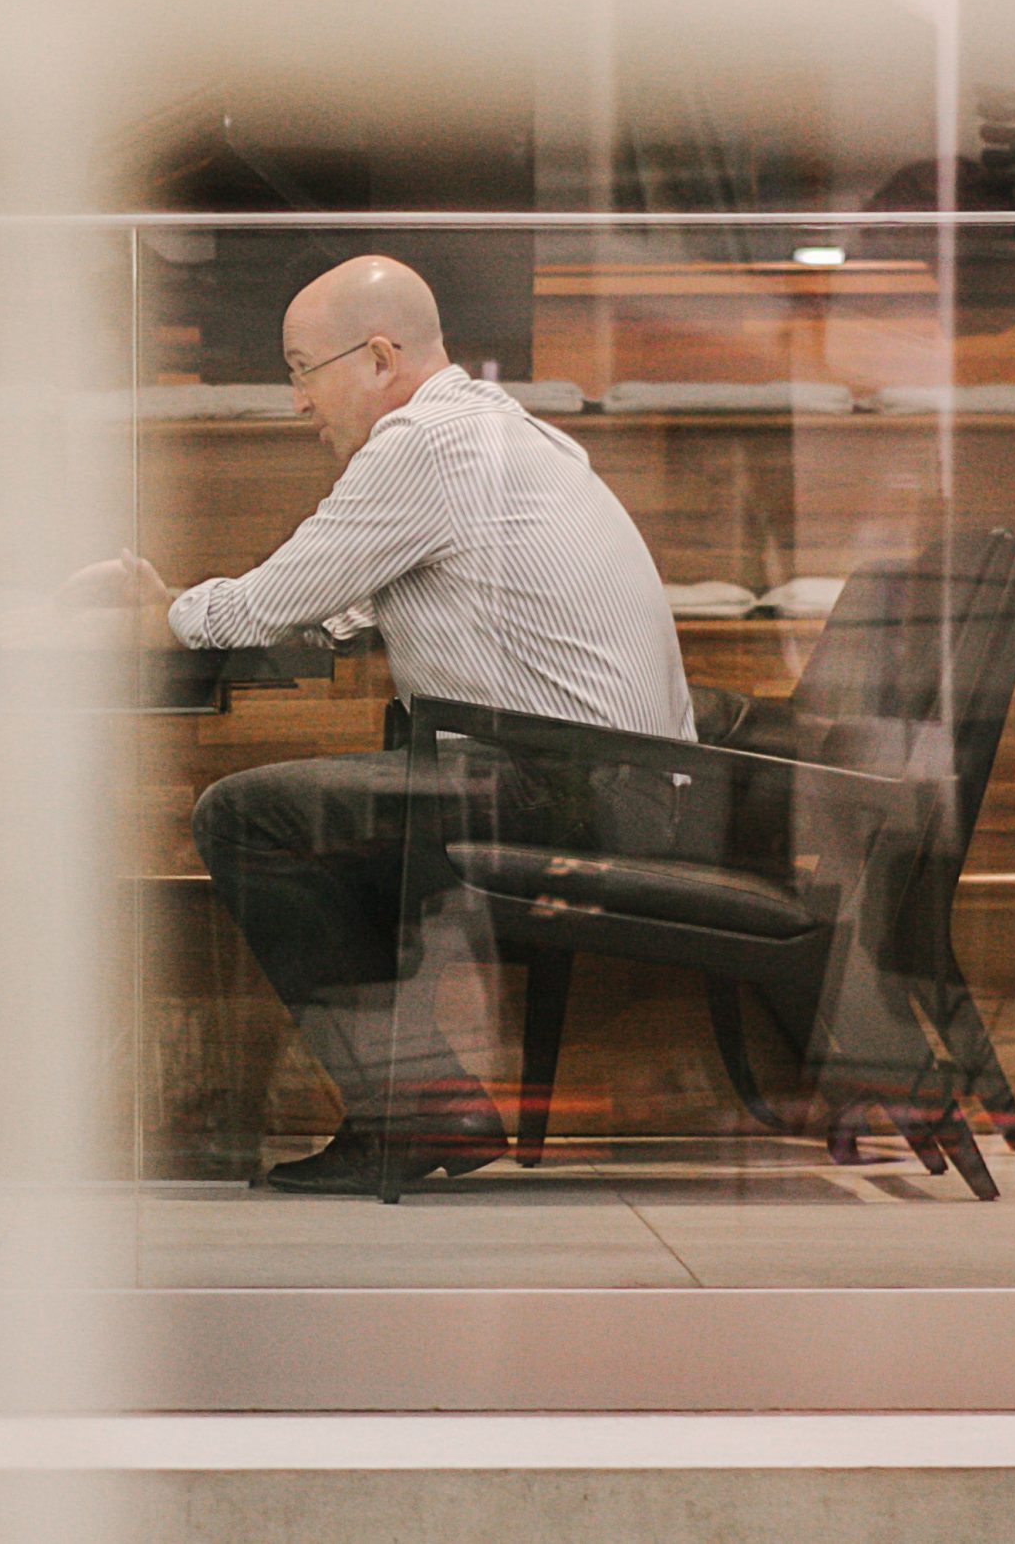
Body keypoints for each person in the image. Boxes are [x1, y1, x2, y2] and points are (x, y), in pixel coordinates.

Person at [74, 256, 694, 1194]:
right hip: (609, 783)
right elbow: (327, 607)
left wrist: (141, 621)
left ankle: (417, 1105)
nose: (296, 404)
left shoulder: (429, 445)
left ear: (375, 357)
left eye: (299, 371)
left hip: (578, 789)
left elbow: (266, 605)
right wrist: (184, 606)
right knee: (333, 808)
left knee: (247, 817)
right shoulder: (485, 437)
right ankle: (414, 1101)